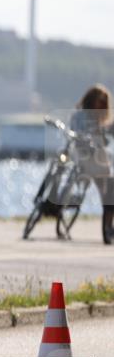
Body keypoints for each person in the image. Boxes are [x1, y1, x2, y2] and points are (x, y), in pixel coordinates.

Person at [70, 84, 113, 244]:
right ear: (92, 100)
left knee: (108, 195)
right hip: (91, 161)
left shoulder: (96, 119)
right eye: (100, 102)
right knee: (108, 194)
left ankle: (108, 226)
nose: (102, 106)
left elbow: (103, 140)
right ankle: (108, 227)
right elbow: (78, 134)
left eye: (104, 104)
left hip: (96, 160)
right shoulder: (82, 116)